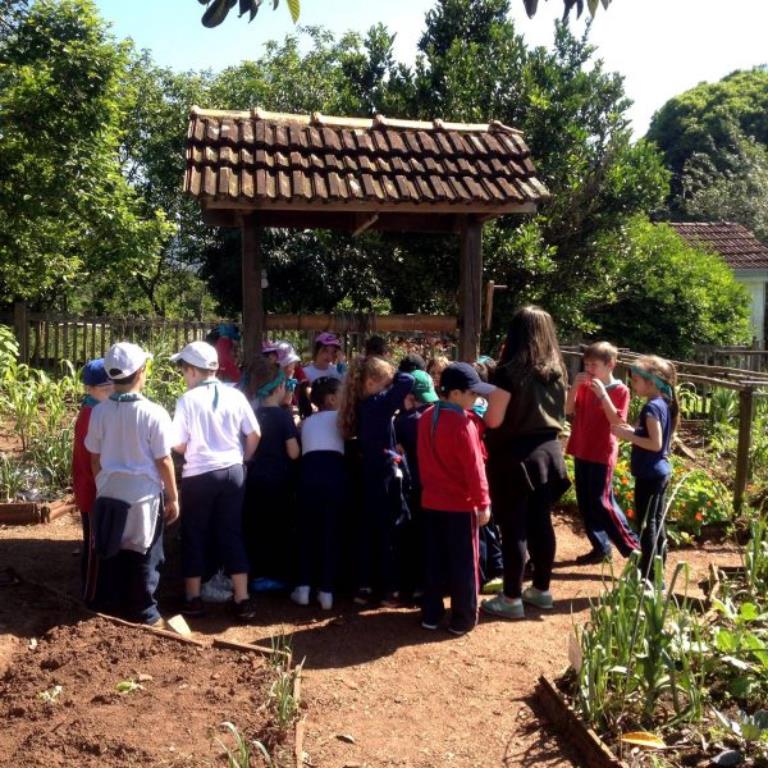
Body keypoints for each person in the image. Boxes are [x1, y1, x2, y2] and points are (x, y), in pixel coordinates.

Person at [481, 306, 570, 620]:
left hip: (516, 457)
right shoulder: (558, 371)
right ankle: (541, 591)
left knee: (514, 528)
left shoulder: (509, 372)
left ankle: (511, 598)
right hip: (550, 454)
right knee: (541, 523)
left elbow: (494, 420)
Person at [84, 342, 178, 626]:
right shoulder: (154, 413)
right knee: (145, 552)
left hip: (110, 490)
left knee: (112, 547)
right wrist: (173, 497)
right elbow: (164, 460)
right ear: (141, 372)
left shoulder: (99, 412)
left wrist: (103, 483)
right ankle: (145, 611)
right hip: (143, 496)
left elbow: (94, 457)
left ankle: (111, 606)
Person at [170, 341, 261, 620]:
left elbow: (177, 443)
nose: (183, 375)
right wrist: (243, 460)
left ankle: (193, 598)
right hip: (232, 471)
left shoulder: (187, 400)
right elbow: (254, 433)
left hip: (199, 474)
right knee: (231, 531)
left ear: (193, 371)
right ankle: (242, 598)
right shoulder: (235, 395)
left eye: (183, 369)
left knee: (194, 533)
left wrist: (193, 449)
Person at [417, 363, 493, 635]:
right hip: (460, 505)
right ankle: (464, 617)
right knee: (464, 563)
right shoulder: (464, 422)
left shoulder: (426, 416)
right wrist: (483, 503)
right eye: (473, 393)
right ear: (456, 394)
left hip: (431, 501)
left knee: (433, 561)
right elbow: (475, 468)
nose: (477, 398)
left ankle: (431, 614)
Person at [339, 355, 414, 605]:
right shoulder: (379, 403)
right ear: (371, 383)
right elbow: (408, 380)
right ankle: (390, 589)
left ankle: (365, 585)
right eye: (385, 383)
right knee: (389, 529)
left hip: (367, 473)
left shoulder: (362, 405)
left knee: (367, 530)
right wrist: (394, 376)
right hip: (384, 476)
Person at [566, 342, 639, 565]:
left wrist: (603, 395)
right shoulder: (585, 386)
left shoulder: (620, 390)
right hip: (581, 448)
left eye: (594, 365)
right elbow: (568, 410)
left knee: (603, 503)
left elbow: (618, 421)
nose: (589, 369)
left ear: (610, 365)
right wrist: (574, 387)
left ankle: (634, 551)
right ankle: (601, 548)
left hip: (601, 452)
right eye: (586, 364)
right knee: (586, 502)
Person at [611, 355, 678, 583]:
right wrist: (633, 431)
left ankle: (648, 577)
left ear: (651, 383)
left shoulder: (651, 407)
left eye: (636, 380)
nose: (632, 384)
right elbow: (651, 437)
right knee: (656, 522)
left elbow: (655, 444)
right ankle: (658, 571)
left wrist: (627, 435)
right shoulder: (662, 403)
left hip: (650, 474)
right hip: (660, 471)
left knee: (647, 525)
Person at [292, 377, 346, 610]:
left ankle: (303, 587)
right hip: (333, 476)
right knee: (330, 532)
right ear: (332, 398)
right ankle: (326, 590)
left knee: (307, 531)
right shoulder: (341, 418)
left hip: (308, 476)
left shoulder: (307, 422)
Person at [244, 368, 300, 591]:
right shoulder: (283, 416)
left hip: (255, 477)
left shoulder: (253, 413)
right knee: (279, 526)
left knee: (256, 525)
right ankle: (278, 575)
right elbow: (293, 452)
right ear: (279, 388)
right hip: (278, 479)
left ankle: (256, 574)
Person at [394, 369, 439, 599]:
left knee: (413, 535)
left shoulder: (404, 421)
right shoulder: (436, 416)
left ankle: (413, 585)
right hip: (435, 485)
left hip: (414, 485)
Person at [72, 358, 113, 601]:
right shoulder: (91, 415)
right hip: (92, 488)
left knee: (101, 541)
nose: (111, 392)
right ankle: (90, 595)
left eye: (113, 386)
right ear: (90, 389)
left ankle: (100, 591)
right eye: (105, 388)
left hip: (98, 486)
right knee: (93, 545)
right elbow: (90, 459)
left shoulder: (97, 410)